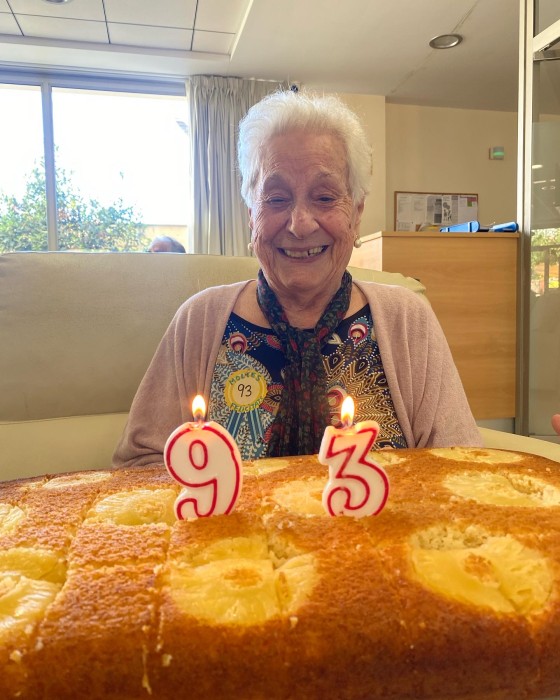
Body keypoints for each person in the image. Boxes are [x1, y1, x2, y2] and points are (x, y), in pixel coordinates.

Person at [113, 91, 481, 468]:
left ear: (356, 213)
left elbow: (461, 467)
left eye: (324, 197)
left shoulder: (407, 320)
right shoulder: (199, 321)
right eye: (276, 199)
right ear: (251, 215)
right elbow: (140, 466)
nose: (300, 224)